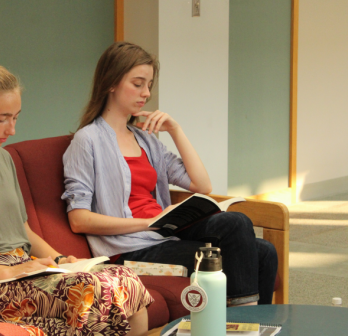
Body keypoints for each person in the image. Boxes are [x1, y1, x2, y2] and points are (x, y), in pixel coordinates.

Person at [0, 53, 153, 336]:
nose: (12, 130)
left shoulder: (2, 160)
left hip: (26, 271)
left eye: (15, 118)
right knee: (93, 290)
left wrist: (61, 261)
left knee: (125, 278)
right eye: (2, 119)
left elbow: (23, 230)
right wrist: (6, 272)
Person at [62, 42, 278, 306]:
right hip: (129, 249)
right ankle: (241, 325)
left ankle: (251, 326)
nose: (146, 93)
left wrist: (175, 130)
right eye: (138, 83)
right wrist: (151, 221)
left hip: (162, 234)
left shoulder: (146, 139)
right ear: (111, 83)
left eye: (149, 85)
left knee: (260, 246)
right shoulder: (87, 140)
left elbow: (202, 184)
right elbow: (79, 220)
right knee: (246, 239)